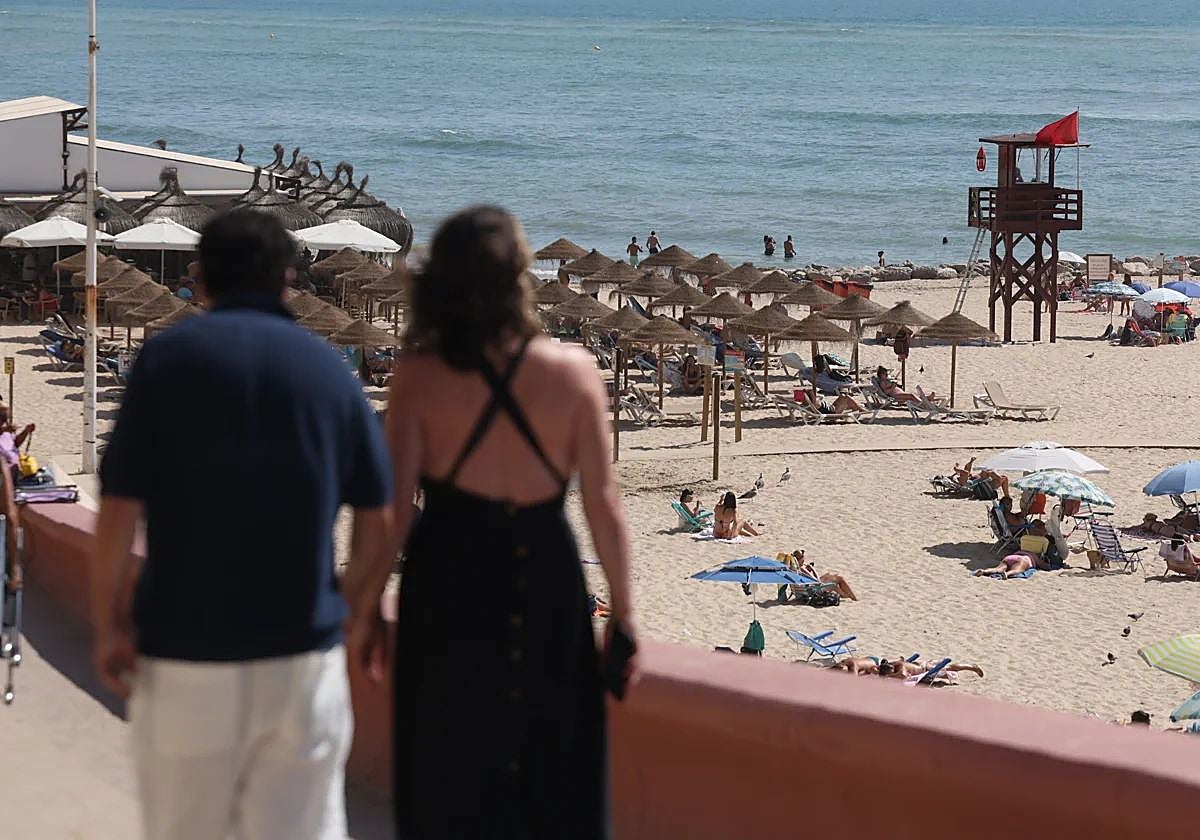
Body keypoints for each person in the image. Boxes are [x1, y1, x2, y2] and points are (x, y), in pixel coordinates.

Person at [92, 209, 394, 840]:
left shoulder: (166, 362)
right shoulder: (330, 374)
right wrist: (355, 606)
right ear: (289, 279)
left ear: (199, 280)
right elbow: (379, 514)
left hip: (184, 654)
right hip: (300, 660)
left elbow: (118, 509)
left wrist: (109, 622)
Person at [372, 206, 633, 837]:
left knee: (446, 774)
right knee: (553, 771)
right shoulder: (573, 373)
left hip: (447, 581)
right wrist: (623, 616)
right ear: (521, 276)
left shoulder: (420, 376)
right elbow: (603, 504)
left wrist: (363, 607)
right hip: (542, 580)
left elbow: (391, 511)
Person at [785, 549, 857, 601]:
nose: (804, 561)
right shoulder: (801, 569)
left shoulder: (792, 569)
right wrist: (813, 569)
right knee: (839, 580)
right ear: (800, 560)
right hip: (812, 591)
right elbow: (817, 581)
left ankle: (847, 595)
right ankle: (850, 597)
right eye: (803, 560)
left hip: (804, 590)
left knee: (829, 576)